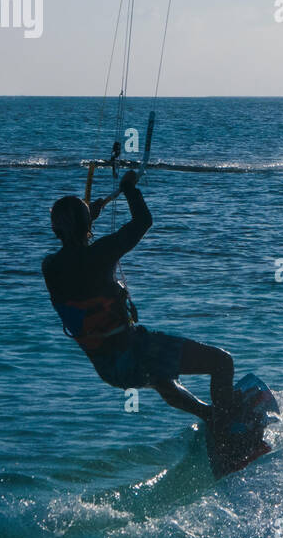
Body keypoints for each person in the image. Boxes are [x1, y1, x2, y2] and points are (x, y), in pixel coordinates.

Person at [42, 170, 236, 432]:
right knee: (222, 362)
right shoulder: (101, 254)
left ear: (56, 230)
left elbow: (75, 257)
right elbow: (143, 221)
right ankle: (230, 428)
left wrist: (87, 220)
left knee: (162, 380)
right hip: (136, 353)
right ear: (86, 225)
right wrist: (129, 187)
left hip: (109, 370)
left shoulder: (50, 268)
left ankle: (211, 418)